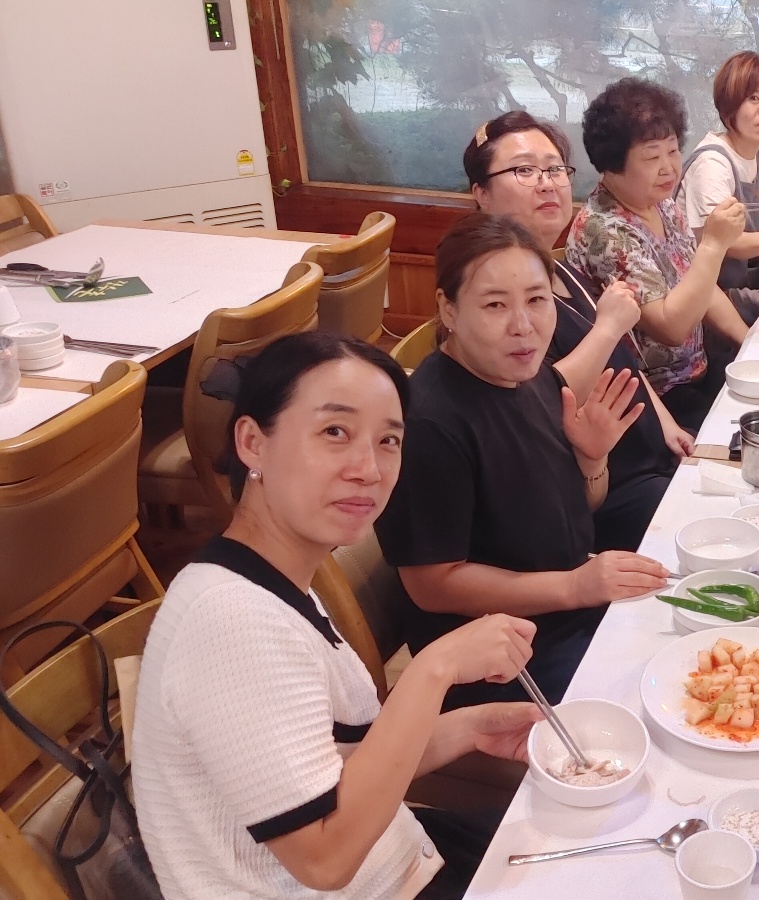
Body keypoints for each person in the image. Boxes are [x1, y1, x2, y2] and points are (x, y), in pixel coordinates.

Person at [132, 331, 541, 899]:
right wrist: (436, 667)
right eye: (334, 432)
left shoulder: (272, 578)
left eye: (388, 440)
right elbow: (324, 860)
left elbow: (340, 769)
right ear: (252, 443)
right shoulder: (230, 621)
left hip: (399, 856)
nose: (368, 469)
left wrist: (471, 728)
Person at [376, 214, 671, 708]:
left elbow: (573, 509)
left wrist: (592, 457)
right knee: (654, 697)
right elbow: (431, 585)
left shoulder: (528, 376)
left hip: (566, 613)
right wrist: (575, 586)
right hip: (500, 657)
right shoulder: (429, 424)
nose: (523, 326)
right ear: (448, 309)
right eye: (495, 304)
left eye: (536, 300)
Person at [464, 111, 691, 551]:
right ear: (482, 194)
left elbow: (622, 358)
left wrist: (665, 423)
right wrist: (608, 326)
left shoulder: (561, 268)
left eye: (555, 169)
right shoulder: (488, 294)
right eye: (524, 170)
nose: (547, 184)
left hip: (649, 461)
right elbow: (532, 402)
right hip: (595, 500)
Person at [567, 77, 750, 431]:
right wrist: (714, 245)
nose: (668, 167)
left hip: (695, 373)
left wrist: (748, 341)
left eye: (673, 150)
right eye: (652, 156)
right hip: (650, 398)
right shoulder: (605, 229)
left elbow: (701, 286)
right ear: (612, 163)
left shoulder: (660, 203)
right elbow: (672, 328)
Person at [677, 51, 759, 299]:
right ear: (730, 106)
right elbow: (720, 242)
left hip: (735, 279)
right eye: (753, 98)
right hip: (703, 295)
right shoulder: (713, 163)